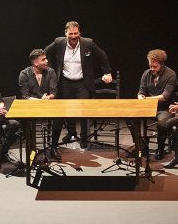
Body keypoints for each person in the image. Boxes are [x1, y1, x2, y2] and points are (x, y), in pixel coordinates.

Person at [44, 20, 112, 148]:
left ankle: (84, 137)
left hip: (83, 82)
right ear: (65, 33)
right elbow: (45, 52)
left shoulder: (88, 43)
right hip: (65, 81)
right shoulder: (59, 42)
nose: (73, 36)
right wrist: (50, 69)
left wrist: (107, 72)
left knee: (83, 111)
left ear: (79, 32)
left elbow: (102, 55)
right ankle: (71, 133)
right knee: (68, 110)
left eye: (76, 33)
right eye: (71, 34)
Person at [17, 49, 63, 160]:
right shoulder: (24, 74)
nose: (47, 61)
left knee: (59, 118)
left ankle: (53, 147)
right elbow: (25, 96)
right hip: (31, 106)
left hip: (47, 105)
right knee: (25, 120)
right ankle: (32, 148)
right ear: (35, 63)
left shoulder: (50, 72)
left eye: (46, 58)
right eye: (43, 59)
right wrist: (39, 101)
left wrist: (48, 97)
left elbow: (54, 92)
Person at [136, 49, 178, 160]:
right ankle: (139, 144)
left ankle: (160, 148)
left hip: (164, 109)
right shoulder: (146, 73)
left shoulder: (171, 75)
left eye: (155, 67)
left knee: (162, 123)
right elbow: (141, 91)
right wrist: (140, 98)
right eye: (150, 66)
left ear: (162, 64)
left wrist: (147, 99)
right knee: (129, 117)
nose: (152, 69)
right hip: (148, 107)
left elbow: (165, 97)